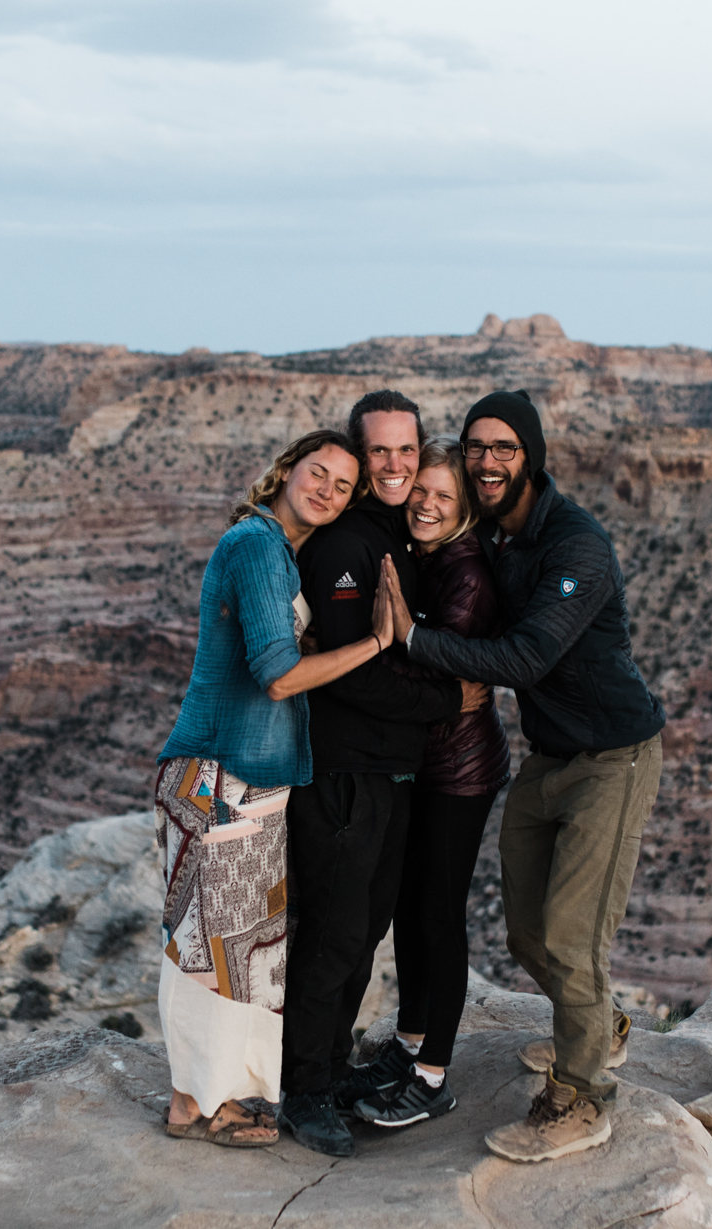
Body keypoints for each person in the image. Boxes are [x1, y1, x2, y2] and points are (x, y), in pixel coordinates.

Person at [380, 389, 665, 1163]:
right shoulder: (496, 536)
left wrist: (414, 639)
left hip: (612, 758)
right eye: (476, 447)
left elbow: (525, 657)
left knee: (572, 939)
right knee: (526, 932)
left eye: (504, 447)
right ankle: (598, 1028)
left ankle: (581, 1096)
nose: (488, 461)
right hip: (548, 755)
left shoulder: (577, 545)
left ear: (532, 454)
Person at [154, 429, 395, 1149]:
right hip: (219, 772)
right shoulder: (257, 546)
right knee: (215, 947)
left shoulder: (277, 554)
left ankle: (217, 1097)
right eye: (316, 472)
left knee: (238, 946)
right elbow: (279, 675)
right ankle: (202, 1099)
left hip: (252, 777)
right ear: (286, 471)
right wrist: (379, 641)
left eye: (342, 485)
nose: (326, 489)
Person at [278, 392, 490, 1158]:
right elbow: (341, 675)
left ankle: (329, 1069)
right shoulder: (345, 547)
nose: (398, 466)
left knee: (363, 932)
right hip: (342, 774)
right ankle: (302, 1090)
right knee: (334, 936)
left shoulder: (397, 539)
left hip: (390, 773)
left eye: (408, 451)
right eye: (382, 453)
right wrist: (445, 699)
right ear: (360, 457)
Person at [351, 438, 509, 1130]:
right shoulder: (426, 557)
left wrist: (389, 645)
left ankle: (433, 1074)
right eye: (422, 491)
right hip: (430, 758)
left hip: (459, 767)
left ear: (465, 509)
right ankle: (410, 1043)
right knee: (414, 907)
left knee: (439, 914)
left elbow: (436, 676)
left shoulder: (465, 572)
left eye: (446, 496)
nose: (428, 504)